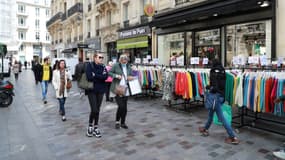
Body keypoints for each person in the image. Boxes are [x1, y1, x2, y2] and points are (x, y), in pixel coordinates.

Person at [198, 59, 240, 145]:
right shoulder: (223, 71)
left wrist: (209, 87)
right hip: (221, 96)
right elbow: (222, 86)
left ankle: (233, 137)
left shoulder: (213, 72)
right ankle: (205, 128)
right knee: (210, 114)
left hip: (215, 97)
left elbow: (215, 87)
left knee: (221, 118)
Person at [109, 54, 135, 129]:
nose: (124, 62)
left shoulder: (128, 67)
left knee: (125, 108)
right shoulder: (116, 65)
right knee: (121, 106)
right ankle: (117, 121)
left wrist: (131, 77)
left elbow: (130, 75)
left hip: (125, 89)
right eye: (123, 60)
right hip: (117, 88)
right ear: (120, 60)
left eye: (126, 60)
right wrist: (116, 76)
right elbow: (109, 73)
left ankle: (123, 122)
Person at [85, 53, 108, 137]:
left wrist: (96, 75)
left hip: (101, 90)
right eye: (100, 57)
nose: (101, 59)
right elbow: (89, 77)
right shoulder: (89, 66)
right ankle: (90, 125)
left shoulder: (103, 66)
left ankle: (96, 127)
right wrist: (100, 76)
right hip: (91, 90)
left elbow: (105, 77)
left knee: (97, 109)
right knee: (94, 109)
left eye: (102, 57)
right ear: (95, 58)